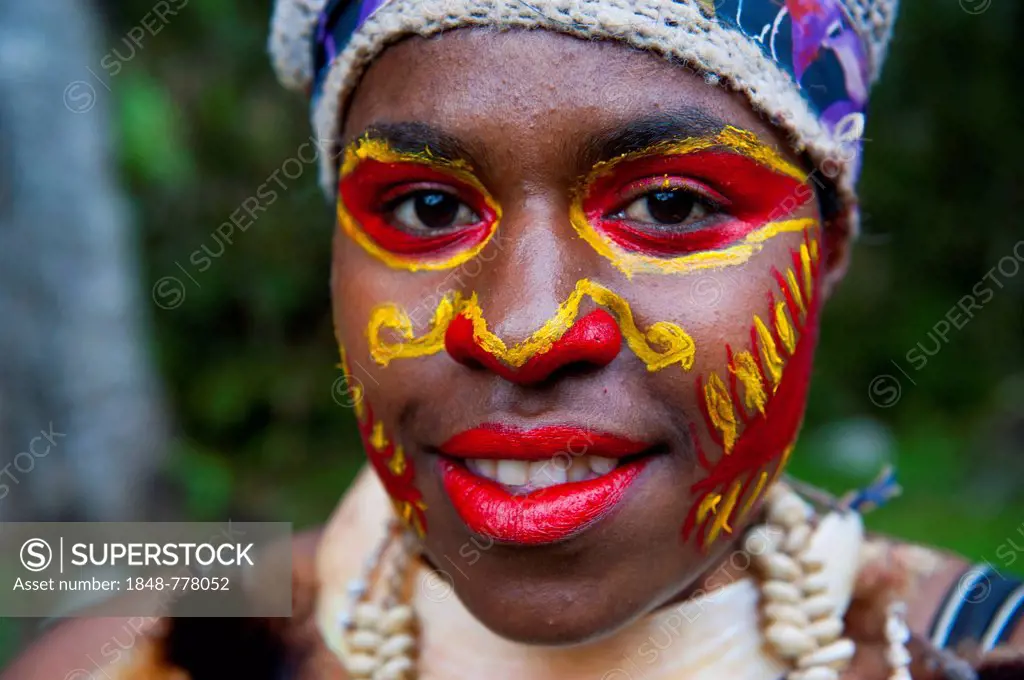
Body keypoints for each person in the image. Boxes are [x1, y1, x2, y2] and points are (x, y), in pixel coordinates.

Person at [4, 1, 1023, 679]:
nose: (525, 328)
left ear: (827, 247)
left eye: (668, 205)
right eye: (424, 207)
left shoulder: (969, 641)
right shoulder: (157, 627)